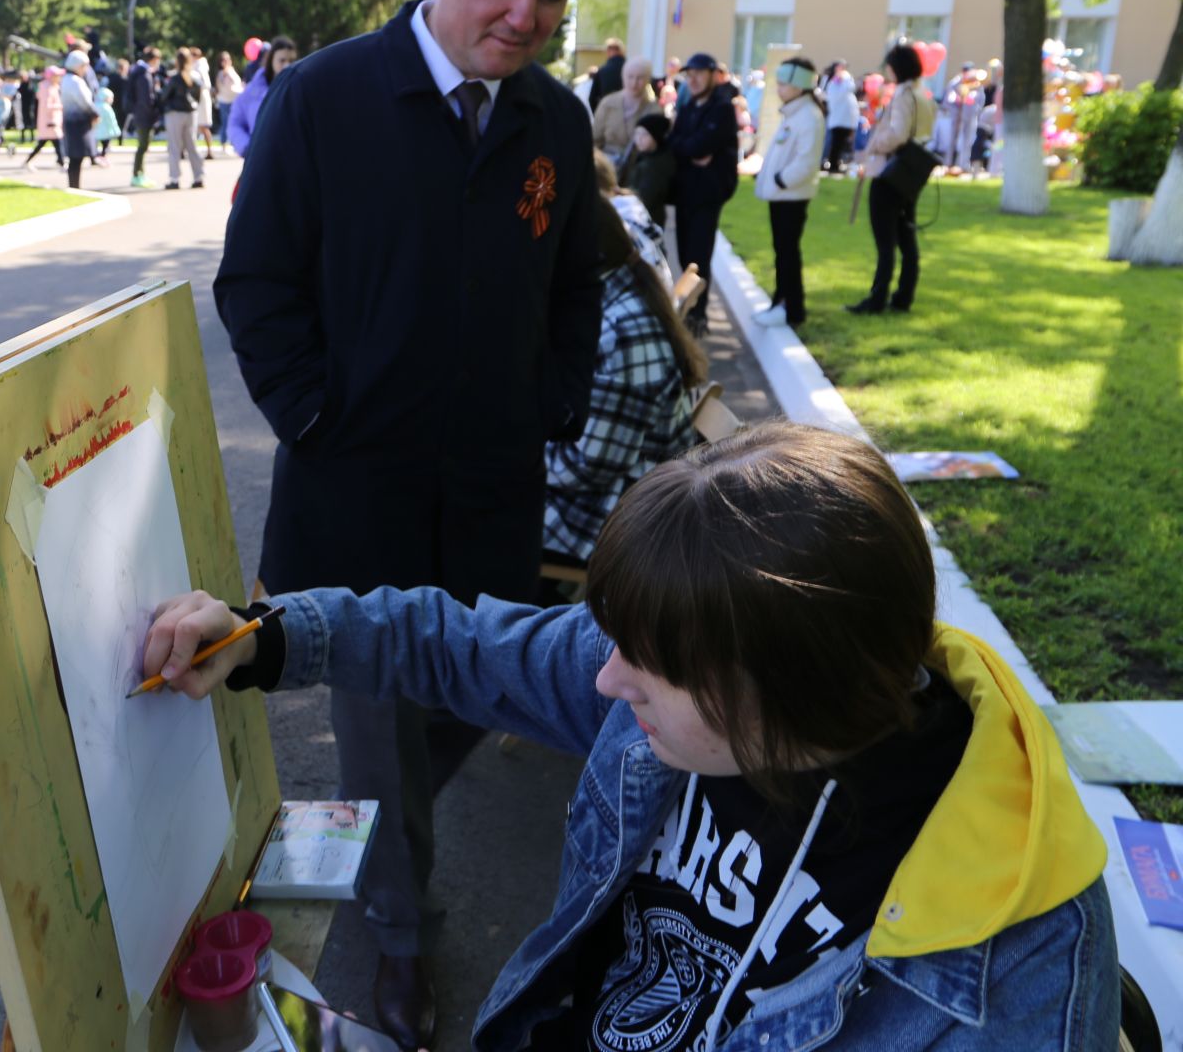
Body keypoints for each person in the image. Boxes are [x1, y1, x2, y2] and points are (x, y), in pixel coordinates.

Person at [142, 421, 1119, 1052]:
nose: (607, 680)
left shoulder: (1022, 965)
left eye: (645, 667)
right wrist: (264, 640)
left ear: (786, 692)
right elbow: (459, 642)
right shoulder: (709, 662)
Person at [214, 0, 604, 1048]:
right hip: (356, 497)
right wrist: (320, 420)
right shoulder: (326, 96)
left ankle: (373, 835)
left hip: (493, 492)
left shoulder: (555, 119)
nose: (526, 14)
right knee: (380, 716)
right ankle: (398, 940)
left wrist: (555, 401)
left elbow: (574, 282)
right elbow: (255, 281)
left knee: (475, 696)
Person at [539, 200, 705, 579]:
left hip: (619, 518)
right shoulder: (617, 298)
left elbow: (588, 468)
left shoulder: (624, 329)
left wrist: (514, 457)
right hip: (618, 497)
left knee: (465, 516)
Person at [849, 43, 937, 315]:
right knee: (906, 237)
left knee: (886, 241)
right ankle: (903, 296)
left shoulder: (903, 96)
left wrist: (874, 146)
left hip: (890, 172)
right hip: (911, 171)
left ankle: (877, 299)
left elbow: (897, 134)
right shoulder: (923, 95)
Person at [666, 52, 741, 333]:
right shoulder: (688, 107)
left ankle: (698, 312)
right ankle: (686, 307)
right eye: (690, 74)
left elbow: (699, 145)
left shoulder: (721, 108)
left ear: (713, 75)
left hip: (708, 193)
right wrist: (691, 149)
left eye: (699, 73)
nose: (693, 79)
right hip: (685, 190)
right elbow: (677, 143)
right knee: (685, 252)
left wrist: (691, 148)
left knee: (699, 254)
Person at [751, 57, 827, 330]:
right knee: (783, 252)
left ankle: (791, 308)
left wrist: (780, 180)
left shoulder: (808, 116)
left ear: (799, 86)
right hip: (783, 195)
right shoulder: (796, 113)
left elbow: (806, 163)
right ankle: (781, 302)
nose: (779, 89)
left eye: (783, 84)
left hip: (791, 197)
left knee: (787, 253)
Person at [225, 34, 296, 161]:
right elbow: (235, 124)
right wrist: (248, 147)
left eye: (291, 61)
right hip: (261, 163)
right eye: (282, 60)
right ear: (271, 60)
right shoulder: (251, 92)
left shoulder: (299, 91)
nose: (287, 65)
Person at [590, 56, 655, 163]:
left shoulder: (654, 109)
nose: (634, 83)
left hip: (639, 170)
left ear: (648, 79)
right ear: (623, 76)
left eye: (640, 78)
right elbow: (595, 140)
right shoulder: (607, 103)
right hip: (609, 168)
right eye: (630, 77)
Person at [159, 47, 205, 190]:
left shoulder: (174, 78)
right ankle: (199, 177)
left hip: (175, 114)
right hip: (191, 113)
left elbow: (164, 96)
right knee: (192, 145)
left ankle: (174, 179)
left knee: (174, 146)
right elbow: (199, 95)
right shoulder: (194, 77)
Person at [617, 111, 675, 223]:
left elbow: (645, 198)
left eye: (644, 135)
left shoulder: (656, 166)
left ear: (656, 136)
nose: (638, 139)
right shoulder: (645, 157)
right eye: (637, 134)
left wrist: (621, 193)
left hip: (647, 219)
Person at [59, 49, 98, 189]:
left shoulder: (65, 80)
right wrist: (95, 113)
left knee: (74, 158)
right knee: (77, 158)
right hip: (79, 123)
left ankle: (74, 186)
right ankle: (75, 187)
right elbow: (85, 102)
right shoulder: (75, 81)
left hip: (70, 122)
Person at [126, 46, 162, 186]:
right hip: (144, 115)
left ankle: (140, 173)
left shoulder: (141, 72)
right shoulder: (144, 75)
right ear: (154, 59)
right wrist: (153, 113)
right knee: (143, 146)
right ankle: (137, 174)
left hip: (141, 114)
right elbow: (145, 98)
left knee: (143, 146)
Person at [21, 66, 64, 169]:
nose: (59, 78)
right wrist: (61, 106)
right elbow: (47, 106)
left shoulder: (52, 87)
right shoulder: (47, 88)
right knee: (56, 142)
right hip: (49, 120)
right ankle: (61, 162)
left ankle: (60, 160)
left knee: (45, 143)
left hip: (52, 120)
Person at [823, 60, 859, 172]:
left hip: (839, 117)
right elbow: (849, 88)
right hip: (841, 118)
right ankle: (833, 164)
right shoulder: (841, 79)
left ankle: (834, 163)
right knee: (836, 143)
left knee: (837, 143)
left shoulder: (834, 81)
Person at [213, 50, 243, 152]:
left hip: (233, 100)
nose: (227, 61)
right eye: (224, 60)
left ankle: (232, 143)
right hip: (225, 101)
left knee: (233, 123)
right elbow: (225, 87)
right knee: (226, 123)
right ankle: (224, 143)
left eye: (228, 59)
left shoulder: (231, 71)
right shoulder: (222, 74)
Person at [587, 36, 625, 113]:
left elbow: (592, 98)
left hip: (608, 113)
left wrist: (599, 115)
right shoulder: (630, 68)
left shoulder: (602, 71)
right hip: (629, 114)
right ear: (621, 51)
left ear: (608, 51)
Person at [93, 84, 120, 162]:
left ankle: (95, 157)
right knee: (105, 145)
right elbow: (112, 120)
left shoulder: (94, 105)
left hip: (96, 130)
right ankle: (103, 156)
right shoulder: (107, 108)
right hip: (106, 131)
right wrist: (116, 130)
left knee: (95, 144)